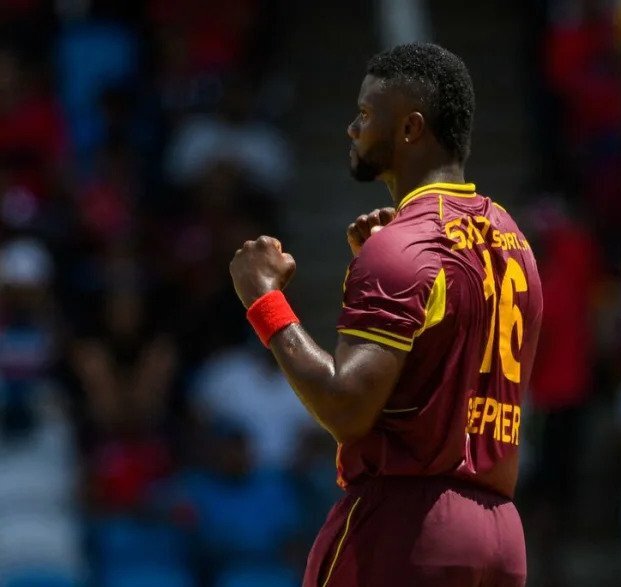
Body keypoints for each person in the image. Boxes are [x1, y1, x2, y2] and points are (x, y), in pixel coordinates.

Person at [228, 43, 543, 587]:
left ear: (410, 129)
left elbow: (346, 406)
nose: (352, 128)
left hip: (408, 527)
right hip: (500, 538)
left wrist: (263, 299)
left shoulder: (405, 245)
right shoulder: (512, 239)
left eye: (366, 113)